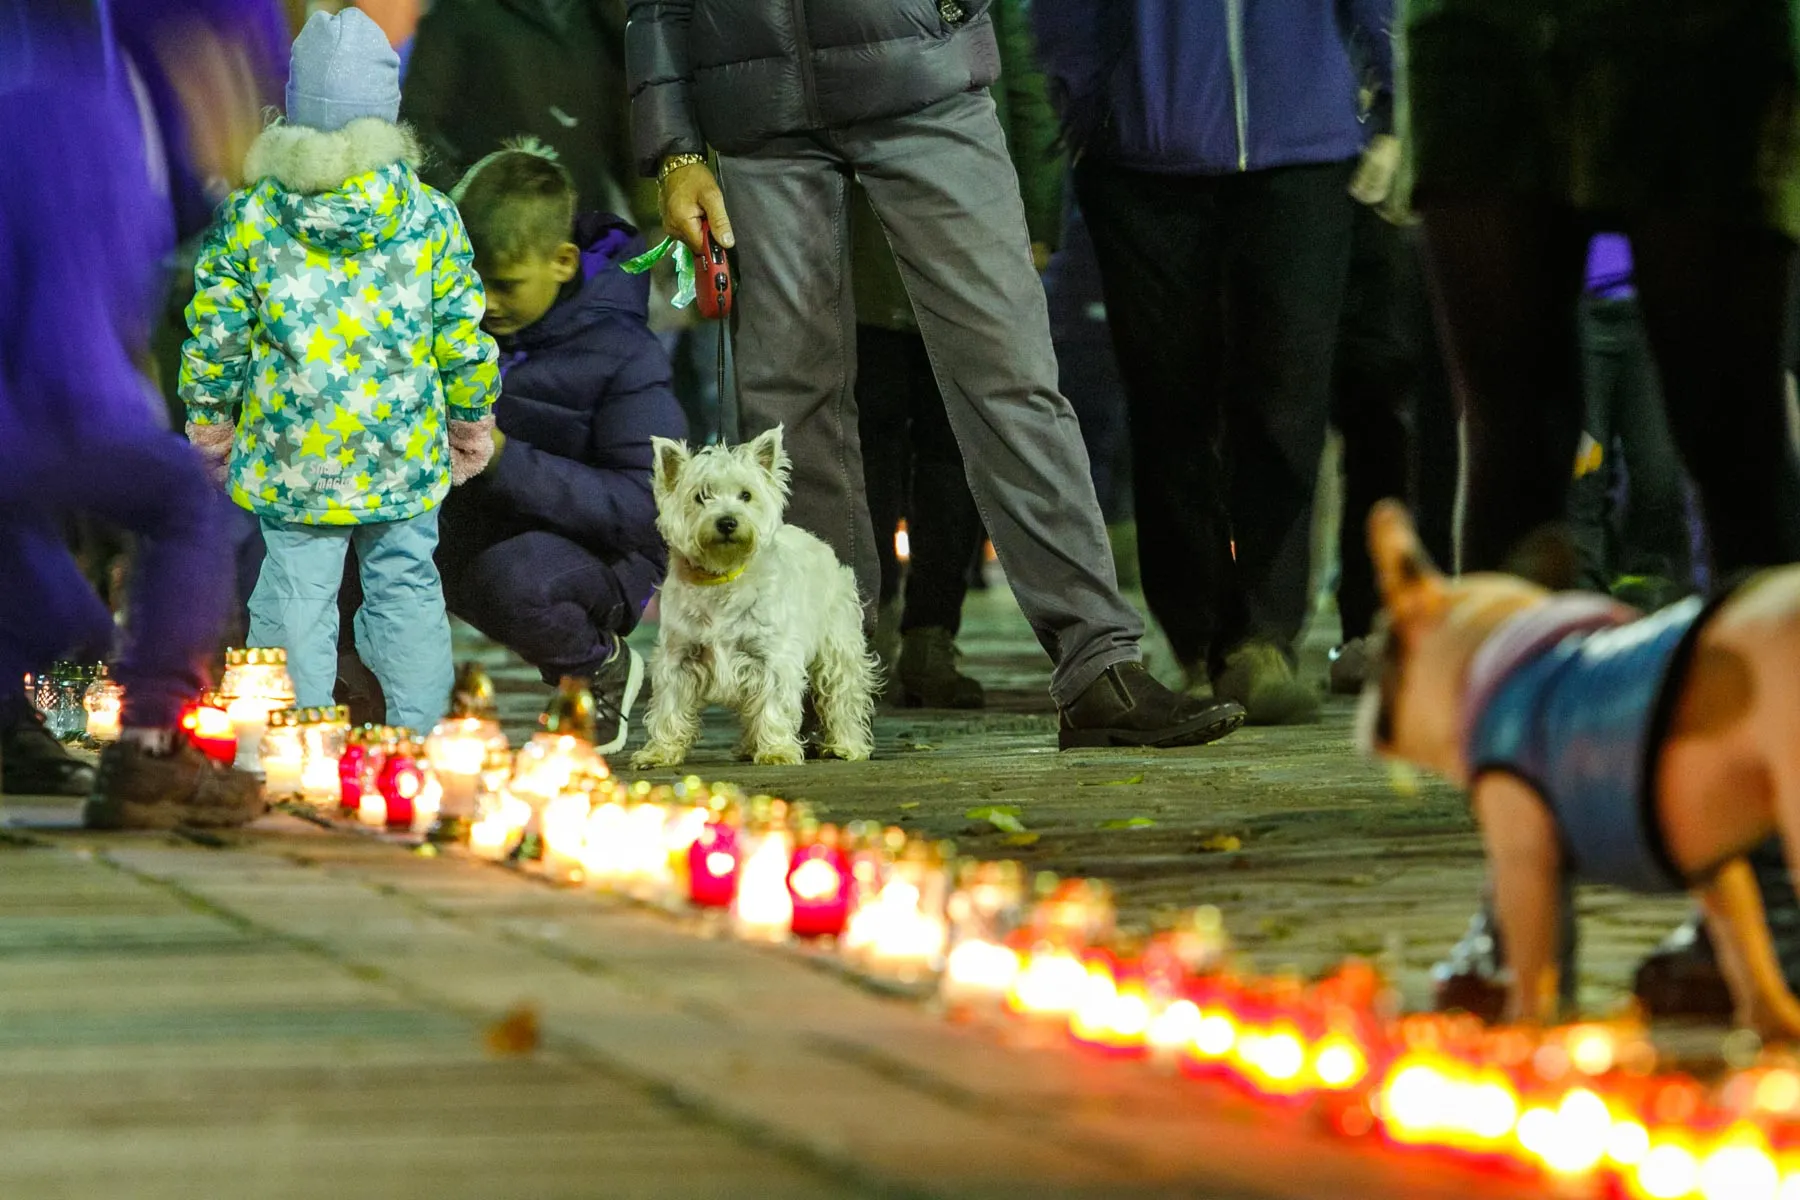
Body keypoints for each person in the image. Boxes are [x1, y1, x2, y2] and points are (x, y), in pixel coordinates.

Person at [627, 0, 1245, 750]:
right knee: (790, 403)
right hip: (754, 103)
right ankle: (824, 685)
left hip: (921, 73)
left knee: (1008, 375)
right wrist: (676, 150)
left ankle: (1098, 663)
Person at [1403, 0, 1800, 1017]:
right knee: (1509, 444)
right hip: (1485, 26)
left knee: (1731, 433)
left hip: (1694, 31)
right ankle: (1516, 882)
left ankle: (1777, 877)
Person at [1036, 0, 1398, 725]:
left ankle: (1264, 637)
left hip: (1303, 145)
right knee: (1167, 397)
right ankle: (1198, 637)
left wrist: (1392, 102)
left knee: (1287, 393)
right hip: (1142, 150)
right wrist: (1081, 98)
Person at [180, 7, 500, 734]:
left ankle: (292, 745)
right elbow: (462, 333)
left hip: (292, 452)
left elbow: (216, 337)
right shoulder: (428, 217)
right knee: (407, 589)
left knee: (295, 592)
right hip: (402, 449)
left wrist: (212, 425)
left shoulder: (252, 217)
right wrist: (470, 422)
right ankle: (419, 739)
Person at [0, 0, 271, 827]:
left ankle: (13, 722)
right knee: (188, 498)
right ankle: (154, 744)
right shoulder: (84, 117)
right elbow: (68, 355)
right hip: (39, 404)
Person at [435, 142, 684, 752]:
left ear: (564, 262)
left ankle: (598, 667)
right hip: (480, 526)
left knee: (513, 582)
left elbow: (647, 502)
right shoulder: (452, 325)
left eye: (505, 284)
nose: (484, 301)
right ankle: (363, 690)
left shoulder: (623, 352)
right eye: (469, 280)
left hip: (602, 556)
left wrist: (501, 457)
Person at [852, 0, 1062, 710]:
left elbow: (1025, 79)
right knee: (869, 436)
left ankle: (932, 632)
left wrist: (1035, 216)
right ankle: (866, 627)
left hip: (969, 214)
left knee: (953, 440)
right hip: (860, 230)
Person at [400, 0, 653, 227]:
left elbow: (626, 114)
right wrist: (468, 208)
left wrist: (653, 214)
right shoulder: (462, 11)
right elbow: (417, 123)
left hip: (585, 235)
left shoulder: (600, 13)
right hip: (501, 251)